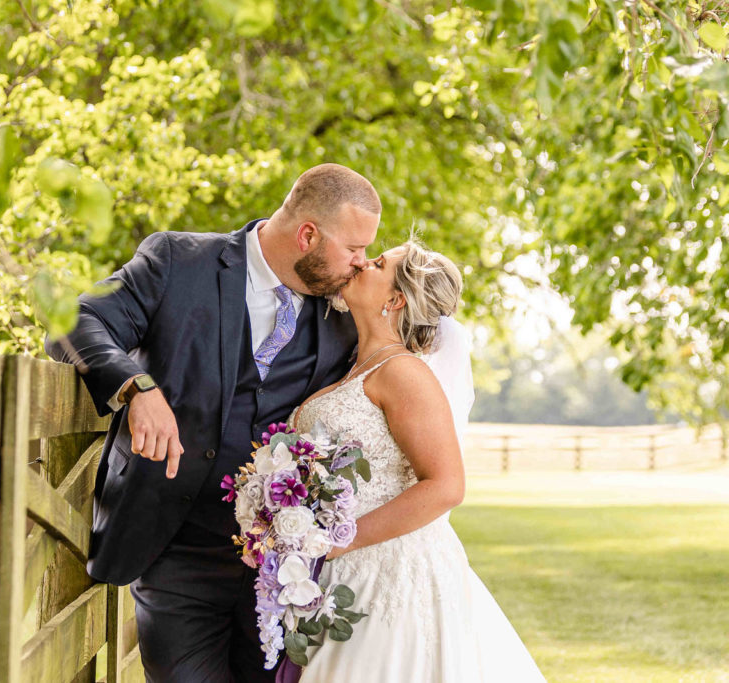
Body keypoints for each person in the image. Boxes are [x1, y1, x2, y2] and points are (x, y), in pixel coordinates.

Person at [47, 163, 382, 682]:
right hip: (173, 552)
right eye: (354, 249)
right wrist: (136, 386)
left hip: (279, 573)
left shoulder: (344, 315)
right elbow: (73, 323)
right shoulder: (177, 262)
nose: (361, 265)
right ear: (308, 235)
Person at [288, 242, 546, 682]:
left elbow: (446, 485)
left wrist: (340, 540)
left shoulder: (405, 373)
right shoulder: (354, 368)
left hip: (386, 574)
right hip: (338, 573)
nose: (361, 263)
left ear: (395, 299)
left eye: (378, 263)